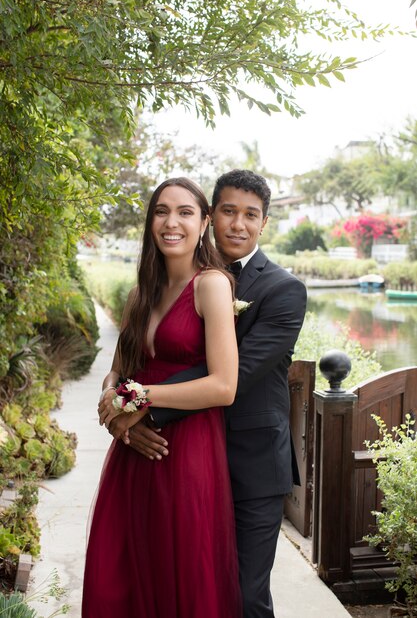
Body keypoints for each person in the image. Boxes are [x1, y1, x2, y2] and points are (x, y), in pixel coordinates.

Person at [111, 169, 308, 618]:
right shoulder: (180, 280)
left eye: (250, 215)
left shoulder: (283, 290)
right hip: (181, 457)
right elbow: (140, 360)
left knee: (242, 595)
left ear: (264, 223)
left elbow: (235, 374)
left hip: (249, 464)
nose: (238, 224)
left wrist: (140, 408)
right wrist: (124, 410)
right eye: (228, 212)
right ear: (211, 217)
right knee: (175, 586)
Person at [83, 177, 242, 618]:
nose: (171, 222)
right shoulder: (141, 294)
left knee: (180, 578)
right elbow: (115, 372)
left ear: (204, 222)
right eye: (161, 211)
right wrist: (121, 423)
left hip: (185, 452)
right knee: (124, 578)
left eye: (185, 212)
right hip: (134, 454)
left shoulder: (211, 285)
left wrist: (137, 398)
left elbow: (224, 385)